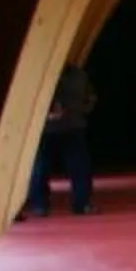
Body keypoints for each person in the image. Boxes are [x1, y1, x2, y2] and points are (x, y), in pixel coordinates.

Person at [25, 63, 98, 219]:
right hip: (56, 128)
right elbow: (90, 97)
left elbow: (90, 97)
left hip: (61, 127)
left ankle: (41, 205)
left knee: (71, 167)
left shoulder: (75, 75)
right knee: (44, 168)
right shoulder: (77, 75)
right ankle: (79, 204)